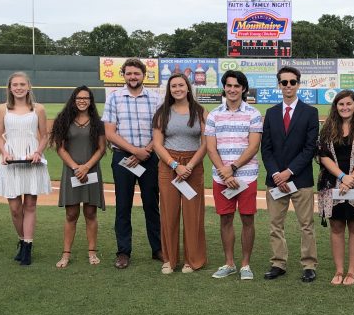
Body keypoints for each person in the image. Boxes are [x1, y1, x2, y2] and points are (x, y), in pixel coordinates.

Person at [102, 58, 162, 269]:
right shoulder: (114, 97)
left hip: (150, 157)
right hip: (123, 158)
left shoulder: (155, 98)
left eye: (136, 73)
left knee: (151, 204)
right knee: (123, 205)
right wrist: (135, 151)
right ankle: (123, 252)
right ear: (124, 75)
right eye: (129, 73)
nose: (133, 77)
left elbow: (160, 130)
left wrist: (146, 151)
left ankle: (158, 248)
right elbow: (110, 133)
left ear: (143, 75)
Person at [261, 66, 319, 282]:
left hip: (300, 179)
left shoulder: (310, 112)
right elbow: (266, 149)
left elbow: (309, 148)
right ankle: (278, 263)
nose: (288, 86)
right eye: (284, 82)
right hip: (275, 180)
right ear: (279, 85)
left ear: (298, 84)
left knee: (306, 225)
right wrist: (277, 173)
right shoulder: (271, 113)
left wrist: (289, 172)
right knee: (275, 225)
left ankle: (309, 265)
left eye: (292, 82)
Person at [205, 70, 263, 280]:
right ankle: (229, 263)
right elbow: (211, 148)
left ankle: (245, 265)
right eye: (229, 85)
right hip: (222, 176)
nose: (232, 89)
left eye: (237, 86)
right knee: (226, 219)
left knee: (247, 219)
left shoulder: (253, 114)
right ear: (224, 87)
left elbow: (253, 146)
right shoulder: (213, 114)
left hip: (246, 176)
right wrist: (225, 172)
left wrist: (233, 167)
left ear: (243, 88)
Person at [0, 71, 51, 265]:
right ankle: (21, 239)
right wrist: (4, 152)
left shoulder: (39, 109)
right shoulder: (2, 109)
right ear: (10, 88)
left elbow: (44, 136)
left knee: (30, 205)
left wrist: (38, 152)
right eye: (15, 85)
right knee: (15, 208)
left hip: (32, 159)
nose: (19, 88)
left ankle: (27, 246)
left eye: (22, 84)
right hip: (9, 160)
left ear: (28, 87)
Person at [152, 73, 207, 274]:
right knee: (169, 213)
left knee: (193, 215)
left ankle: (192, 260)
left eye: (181, 85)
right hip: (169, 165)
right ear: (169, 89)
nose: (177, 89)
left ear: (188, 87)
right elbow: (157, 144)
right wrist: (175, 165)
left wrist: (189, 166)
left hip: (193, 165)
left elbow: (206, 143)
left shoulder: (200, 111)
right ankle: (169, 260)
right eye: (173, 86)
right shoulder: (162, 112)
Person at [317, 90, 354, 286]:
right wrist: (342, 177)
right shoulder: (327, 128)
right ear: (336, 106)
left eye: (349, 104)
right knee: (337, 226)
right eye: (341, 104)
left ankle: (352, 271)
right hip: (332, 184)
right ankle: (339, 270)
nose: (345, 107)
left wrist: (352, 178)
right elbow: (323, 156)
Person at [49, 86, 107, 268]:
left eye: (86, 98)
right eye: (79, 98)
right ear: (74, 100)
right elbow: (60, 148)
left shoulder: (98, 123)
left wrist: (86, 167)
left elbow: (101, 149)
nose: (82, 101)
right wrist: (76, 168)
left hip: (91, 171)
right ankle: (66, 254)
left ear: (91, 101)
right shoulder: (63, 120)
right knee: (71, 214)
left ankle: (92, 252)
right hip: (71, 171)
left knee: (90, 213)